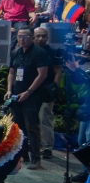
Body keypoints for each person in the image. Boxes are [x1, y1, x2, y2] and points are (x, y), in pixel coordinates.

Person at [6, 27, 51, 169]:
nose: (22, 39)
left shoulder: (39, 53)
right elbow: (11, 72)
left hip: (32, 95)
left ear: (31, 37)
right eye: (19, 36)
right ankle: (22, 154)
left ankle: (36, 157)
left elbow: (42, 74)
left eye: (25, 36)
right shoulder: (15, 52)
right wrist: (9, 89)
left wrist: (29, 92)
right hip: (16, 93)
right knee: (18, 127)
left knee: (32, 126)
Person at [33, 27, 63, 161]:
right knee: (31, 118)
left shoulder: (52, 52)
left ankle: (47, 147)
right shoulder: (28, 51)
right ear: (33, 37)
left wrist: (54, 88)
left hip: (46, 90)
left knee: (45, 117)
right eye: (38, 36)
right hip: (30, 90)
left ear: (47, 38)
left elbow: (58, 71)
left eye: (43, 36)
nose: (41, 38)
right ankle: (33, 144)